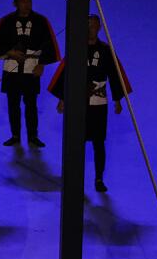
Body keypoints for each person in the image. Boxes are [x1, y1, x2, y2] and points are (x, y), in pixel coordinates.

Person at [46, 15, 127, 192]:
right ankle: (75, 178)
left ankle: (98, 178)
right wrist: (62, 98)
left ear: (99, 28)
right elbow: (65, 73)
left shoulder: (106, 50)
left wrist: (118, 100)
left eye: (93, 26)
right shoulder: (76, 49)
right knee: (77, 142)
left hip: (98, 102)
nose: (90, 29)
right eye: (87, 25)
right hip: (78, 102)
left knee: (99, 142)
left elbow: (114, 74)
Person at [0, 0, 58, 148]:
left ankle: (33, 136)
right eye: (22, 1)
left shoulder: (41, 21)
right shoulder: (6, 22)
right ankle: (15, 135)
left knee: (31, 104)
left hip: (31, 68)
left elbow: (49, 45)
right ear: (15, 3)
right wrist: (10, 52)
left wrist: (41, 64)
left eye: (29, 0)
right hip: (12, 68)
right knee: (13, 104)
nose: (26, 4)